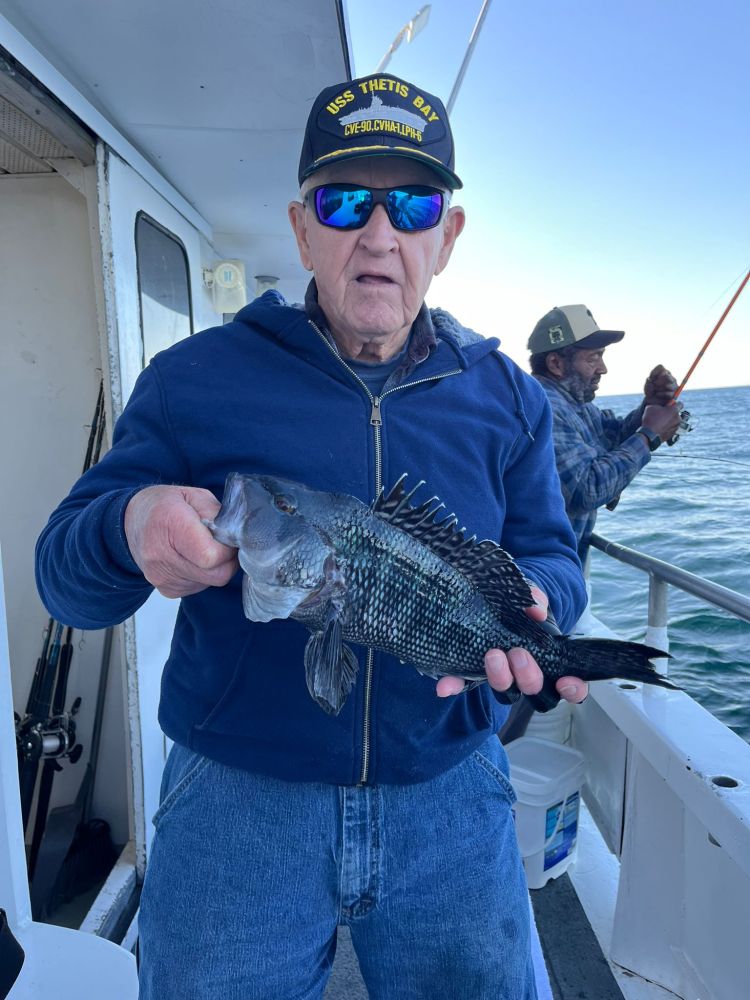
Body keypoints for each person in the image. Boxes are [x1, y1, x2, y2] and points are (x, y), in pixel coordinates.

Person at [36, 73, 588, 1000]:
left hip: (451, 795)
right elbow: (64, 577)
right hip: (235, 807)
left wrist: (540, 604)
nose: (379, 234)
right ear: (301, 228)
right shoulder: (191, 380)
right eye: (344, 202)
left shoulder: (509, 398)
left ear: (445, 237)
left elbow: (553, 559)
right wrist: (127, 528)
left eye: (411, 204)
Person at [528, 304, 683, 565]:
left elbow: (612, 438)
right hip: (541, 578)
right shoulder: (544, 407)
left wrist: (649, 405)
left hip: (562, 569)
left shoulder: (576, 404)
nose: (603, 368)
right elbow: (583, 490)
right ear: (555, 363)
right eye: (593, 358)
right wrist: (649, 435)